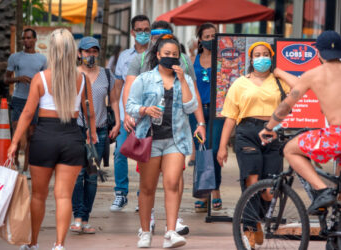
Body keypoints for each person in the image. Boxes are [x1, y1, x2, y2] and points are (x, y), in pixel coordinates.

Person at [7, 28, 97, 250]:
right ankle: (59, 245)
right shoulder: (82, 79)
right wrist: (92, 134)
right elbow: (91, 113)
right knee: (64, 196)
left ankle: (33, 243)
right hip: (72, 138)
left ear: (53, 52)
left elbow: (27, 114)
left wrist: (14, 142)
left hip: (44, 138)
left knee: (38, 195)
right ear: (72, 52)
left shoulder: (41, 78)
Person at [123, 20, 203, 235]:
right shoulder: (141, 63)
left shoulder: (183, 65)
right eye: (157, 35)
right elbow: (129, 92)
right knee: (148, 186)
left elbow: (192, 100)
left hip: (176, 136)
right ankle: (146, 224)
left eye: (167, 35)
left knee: (173, 181)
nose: (169, 52)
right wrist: (133, 113)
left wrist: (201, 122)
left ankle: (172, 226)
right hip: (148, 137)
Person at [217, 41, 293, 249]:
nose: (261, 58)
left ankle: (257, 219)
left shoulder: (278, 82)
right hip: (247, 133)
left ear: (271, 57)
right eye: (257, 55)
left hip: (272, 132)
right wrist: (222, 147)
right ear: (251, 59)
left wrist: (280, 72)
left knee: (269, 189)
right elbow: (230, 118)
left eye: (265, 54)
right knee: (252, 183)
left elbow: (299, 88)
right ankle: (249, 229)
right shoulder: (239, 83)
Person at [259, 30, 341, 215]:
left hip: (336, 136)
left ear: (319, 52)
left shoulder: (314, 75)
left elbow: (285, 107)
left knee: (289, 149)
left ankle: (322, 190)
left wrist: (268, 128)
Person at [70, 37, 120, 234]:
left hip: (98, 132)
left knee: (91, 176)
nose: (91, 55)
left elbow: (114, 100)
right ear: (79, 54)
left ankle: (86, 218)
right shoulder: (73, 75)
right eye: (87, 51)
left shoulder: (107, 75)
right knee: (77, 176)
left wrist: (117, 122)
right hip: (76, 130)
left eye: (94, 51)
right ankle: (77, 217)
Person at [110, 14, 151, 212]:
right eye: (140, 30)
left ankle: (142, 196)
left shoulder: (155, 55)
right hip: (127, 115)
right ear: (133, 32)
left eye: (147, 29)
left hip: (149, 116)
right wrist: (119, 118)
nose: (144, 33)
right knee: (120, 153)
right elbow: (117, 90)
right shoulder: (124, 57)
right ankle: (120, 194)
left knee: (145, 157)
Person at [4, 28, 47, 176]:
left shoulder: (42, 60)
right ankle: (15, 163)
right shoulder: (15, 57)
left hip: (35, 100)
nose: (26, 41)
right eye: (24, 38)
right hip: (18, 99)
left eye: (29, 38)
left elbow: (45, 80)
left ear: (35, 39)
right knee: (17, 131)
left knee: (31, 135)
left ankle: (26, 168)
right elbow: (6, 79)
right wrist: (19, 78)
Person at [190, 23, 223, 213]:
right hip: (197, 111)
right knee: (203, 150)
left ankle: (215, 188)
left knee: (215, 149)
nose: (211, 39)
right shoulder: (192, 60)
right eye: (207, 36)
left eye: (214, 36)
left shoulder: (223, 61)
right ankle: (203, 193)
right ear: (200, 39)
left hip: (218, 111)